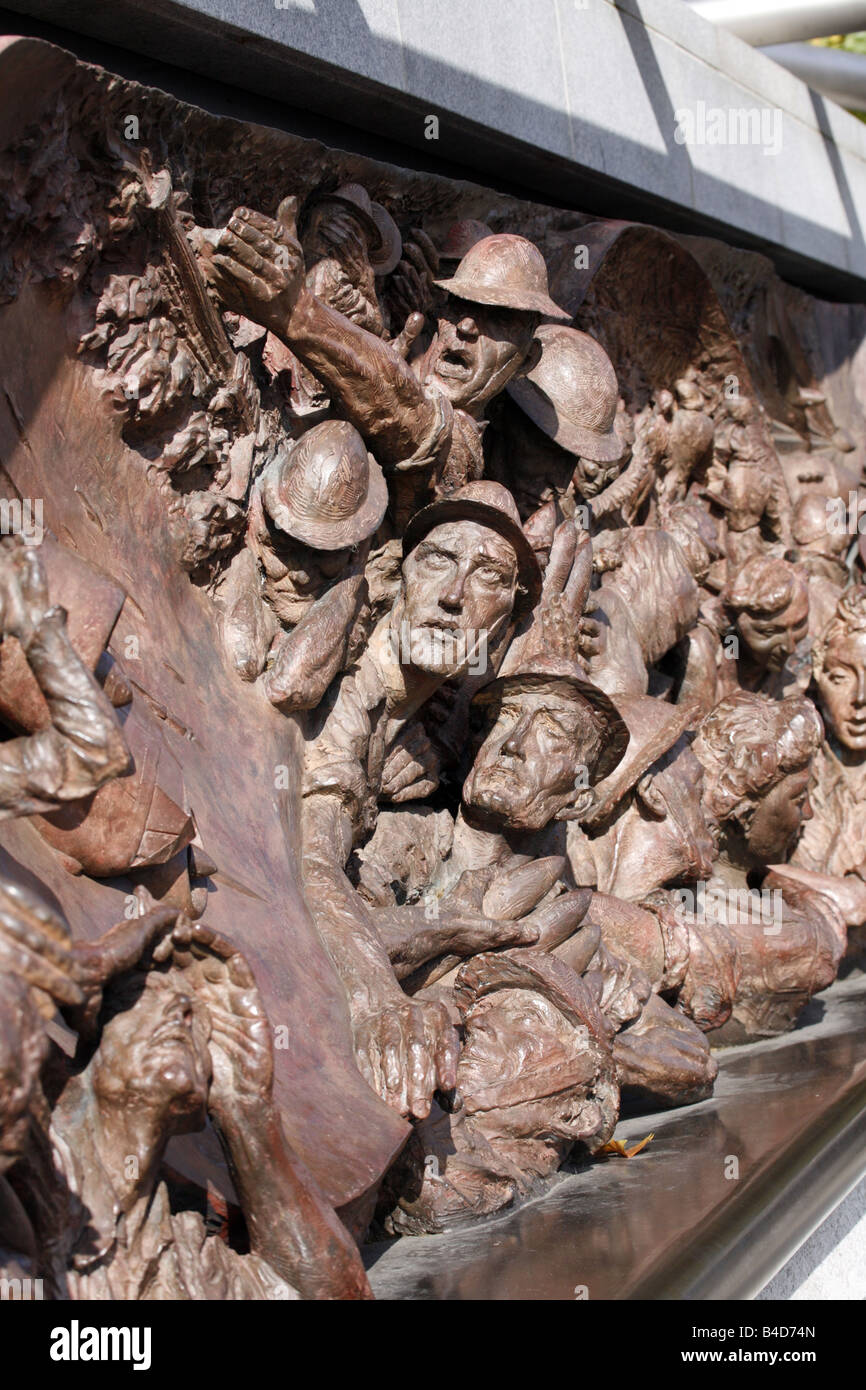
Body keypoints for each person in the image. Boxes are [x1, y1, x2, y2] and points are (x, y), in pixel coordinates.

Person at [301, 481, 542, 1122]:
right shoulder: (348, 684)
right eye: (438, 559)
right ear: (401, 574)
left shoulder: (431, 729)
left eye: (487, 576)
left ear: (505, 625)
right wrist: (378, 999)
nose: (454, 593)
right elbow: (311, 862)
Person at [202, 207, 569, 523]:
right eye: (459, 306)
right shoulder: (400, 347)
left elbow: (407, 413)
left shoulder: (462, 456)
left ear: (527, 360)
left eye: (499, 319)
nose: (467, 327)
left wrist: (298, 312)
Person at [217, 419, 386, 710]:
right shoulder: (246, 554)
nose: (300, 576)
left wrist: (349, 586)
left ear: (355, 554)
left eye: (323, 556)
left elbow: (287, 686)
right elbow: (242, 656)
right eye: (285, 548)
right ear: (258, 519)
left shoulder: (349, 599)